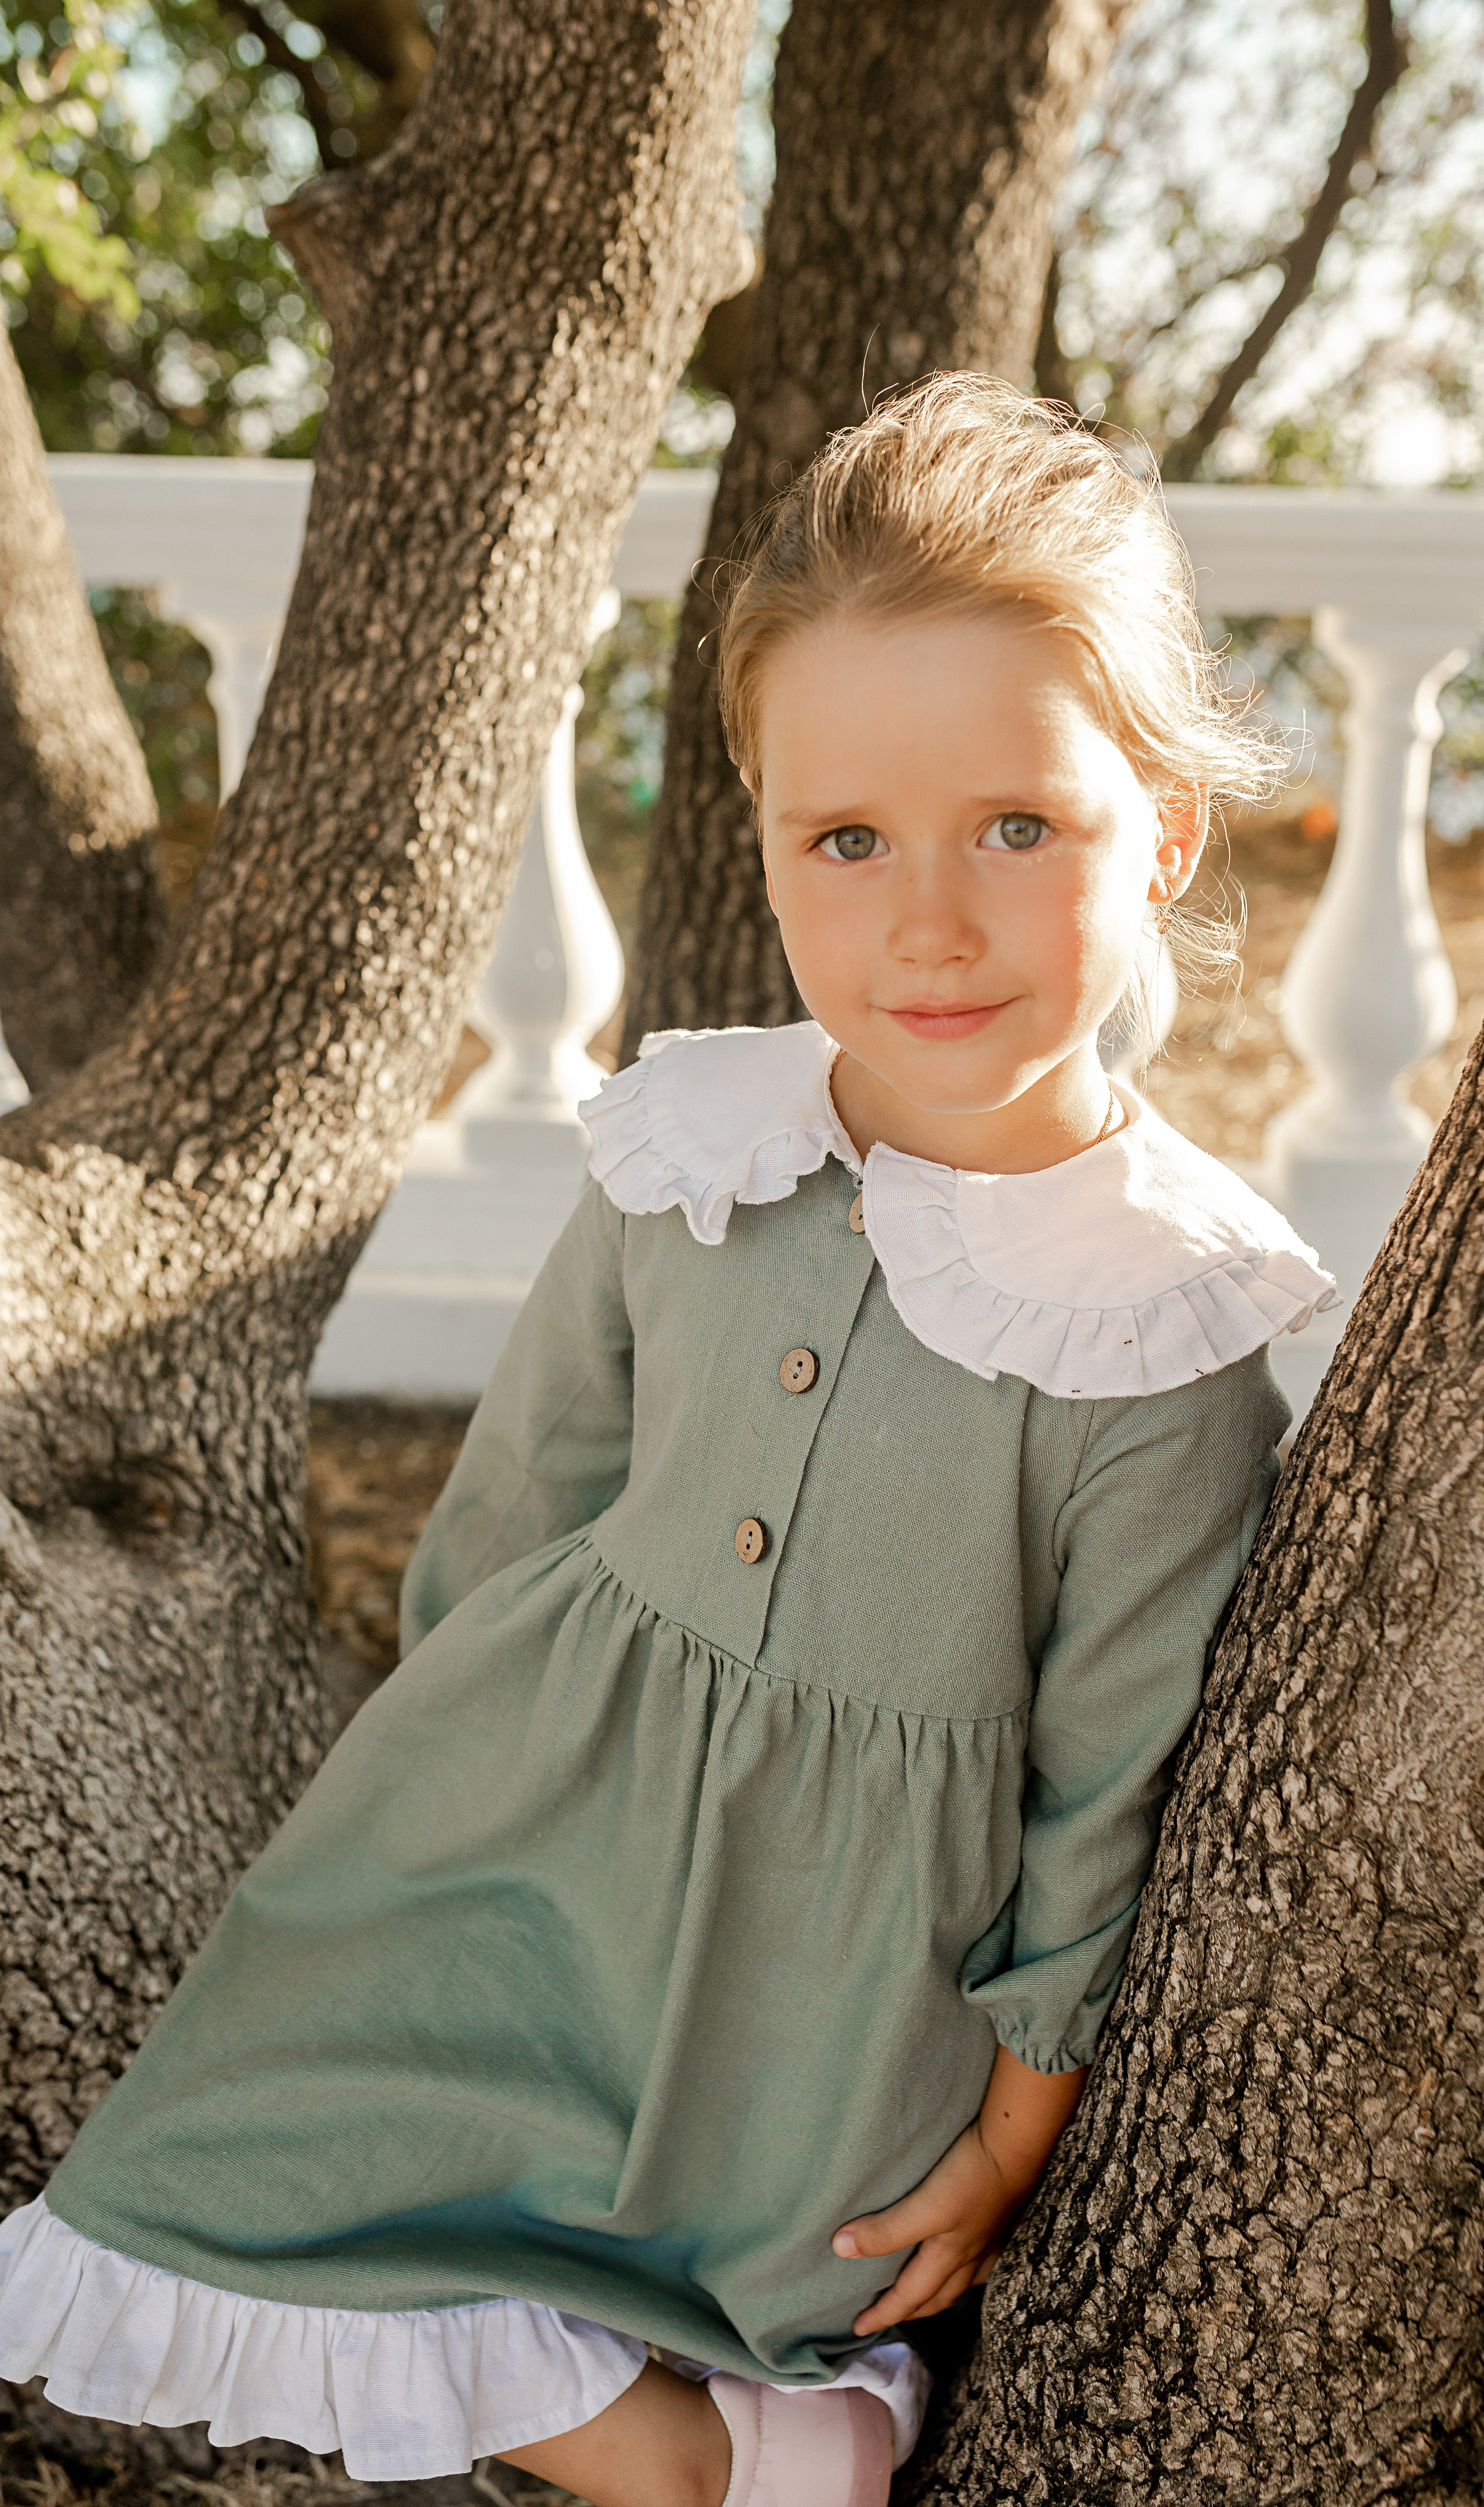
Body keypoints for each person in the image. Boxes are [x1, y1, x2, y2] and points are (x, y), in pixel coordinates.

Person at [0, 373, 1334, 2507]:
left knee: (728, 2269)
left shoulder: (1160, 1313)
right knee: (220, 2188)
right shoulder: (689, 1153)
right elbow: (516, 1507)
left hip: (836, 1972)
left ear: (1161, 832)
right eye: (848, 840)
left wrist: (1015, 2129)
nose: (929, 921)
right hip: (527, 1859)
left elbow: (1112, 1775)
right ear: (767, 841)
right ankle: (731, 2463)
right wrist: (435, 1826)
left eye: (1021, 826)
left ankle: (775, 2432)